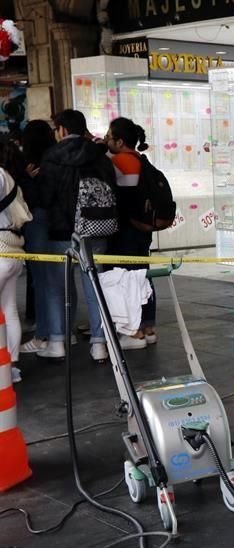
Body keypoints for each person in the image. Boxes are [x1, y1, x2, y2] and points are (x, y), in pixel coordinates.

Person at [36, 109, 117, 363]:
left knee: (57, 287)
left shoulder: (51, 157)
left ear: (61, 130)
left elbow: (45, 197)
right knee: (95, 285)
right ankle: (99, 345)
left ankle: (59, 340)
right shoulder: (100, 156)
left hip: (61, 231)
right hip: (97, 228)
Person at [104, 117, 157, 349]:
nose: (106, 139)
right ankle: (148, 328)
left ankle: (133, 333)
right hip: (142, 230)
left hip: (124, 229)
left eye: (109, 136)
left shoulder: (117, 162)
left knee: (125, 279)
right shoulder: (142, 161)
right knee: (142, 276)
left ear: (120, 140)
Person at [17, 120, 56, 356]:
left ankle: (44, 334)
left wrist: (26, 179)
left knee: (41, 281)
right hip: (60, 223)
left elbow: (30, 199)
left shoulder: (29, 164)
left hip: (37, 222)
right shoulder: (57, 158)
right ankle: (61, 332)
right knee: (59, 281)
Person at [0, 159, 32, 383]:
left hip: (1, 251)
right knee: (9, 309)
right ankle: (10, 367)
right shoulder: (5, 174)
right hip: (13, 250)